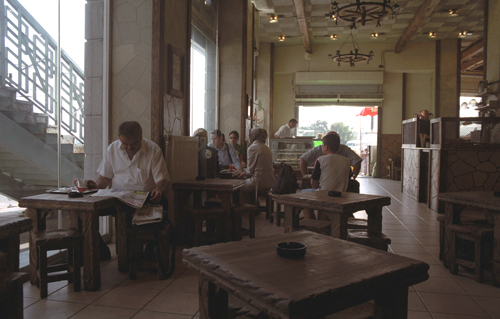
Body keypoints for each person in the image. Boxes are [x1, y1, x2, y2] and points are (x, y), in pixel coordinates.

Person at [87, 121, 170, 204]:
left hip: (145, 198)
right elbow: (105, 178)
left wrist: (158, 189)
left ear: (141, 137)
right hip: (117, 198)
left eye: (134, 143)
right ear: (119, 138)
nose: (130, 147)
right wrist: (96, 186)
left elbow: (161, 179)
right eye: (125, 144)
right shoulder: (112, 148)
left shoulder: (153, 150)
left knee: (162, 202)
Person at [301, 133, 350, 219]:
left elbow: (314, 183)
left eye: (323, 145)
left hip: (324, 194)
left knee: (302, 194)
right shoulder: (346, 161)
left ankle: (311, 221)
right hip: (341, 195)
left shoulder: (321, 160)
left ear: (326, 147)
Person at [236, 128, 275, 195]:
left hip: (258, 182)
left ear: (253, 136)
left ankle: (247, 204)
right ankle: (254, 203)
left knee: (238, 185)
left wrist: (243, 172)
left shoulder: (252, 148)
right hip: (270, 182)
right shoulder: (266, 147)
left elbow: (249, 171)